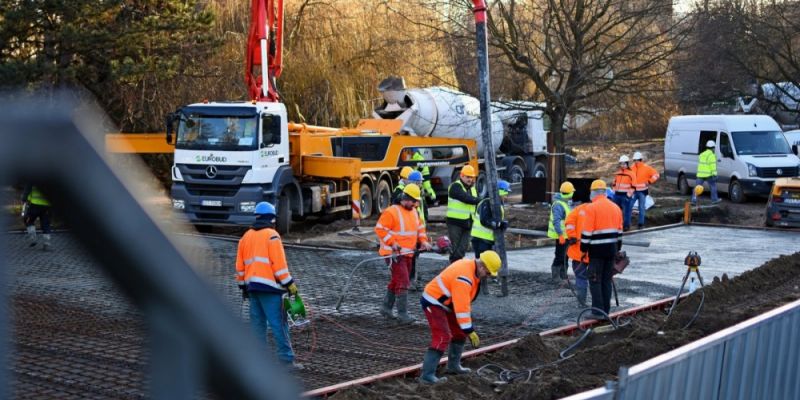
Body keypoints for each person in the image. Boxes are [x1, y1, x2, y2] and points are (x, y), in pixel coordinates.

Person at [235, 201, 303, 369]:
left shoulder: (246, 237)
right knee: (279, 324)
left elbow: (240, 267)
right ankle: (286, 361)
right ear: (272, 218)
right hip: (270, 290)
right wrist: (290, 284)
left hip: (252, 289)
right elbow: (279, 266)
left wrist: (243, 287)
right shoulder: (272, 236)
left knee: (257, 326)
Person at [418, 250, 502, 384]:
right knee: (442, 336)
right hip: (433, 301)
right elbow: (461, 307)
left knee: (459, 332)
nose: (487, 276)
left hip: (447, 303)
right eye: (487, 273)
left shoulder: (472, 270)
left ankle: (453, 366)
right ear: (482, 266)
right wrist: (470, 330)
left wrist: (465, 329)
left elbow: (463, 304)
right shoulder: (465, 277)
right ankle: (426, 376)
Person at [375, 184, 432, 323]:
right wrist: (392, 243)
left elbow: (420, 229)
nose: (415, 204)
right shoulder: (391, 212)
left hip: (408, 254)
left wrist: (423, 241)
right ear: (405, 198)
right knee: (404, 281)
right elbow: (380, 229)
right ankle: (402, 314)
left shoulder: (414, 211)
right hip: (393, 254)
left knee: (397, 281)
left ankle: (386, 308)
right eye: (413, 201)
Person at [579, 180, 623, 316]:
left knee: (594, 280)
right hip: (611, 251)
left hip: (596, 253)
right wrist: (616, 249)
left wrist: (583, 250)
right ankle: (606, 311)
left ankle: (597, 312)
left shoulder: (591, 208)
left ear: (593, 193)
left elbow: (586, 233)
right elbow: (620, 233)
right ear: (604, 192)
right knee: (606, 281)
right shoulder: (615, 207)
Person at [446, 165, 481, 262]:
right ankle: (454, 266)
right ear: (461, 176)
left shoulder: (473, 189)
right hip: (455, 223)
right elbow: (465, 198)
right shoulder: (455, 186)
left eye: (471, 177)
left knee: (463, 247)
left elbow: (475, 203)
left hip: (468, 222)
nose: (470, 179)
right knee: (455, 247)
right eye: (468, 177)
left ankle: (456, 265)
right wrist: (479, 200)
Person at [470, 180, 510, 259]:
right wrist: (499, 224)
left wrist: (501, 223)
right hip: (481, 239)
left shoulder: (496, 203)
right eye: (506, 193)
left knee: (486, 265)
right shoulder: (487, 202)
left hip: (486, 239)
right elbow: (484, 220)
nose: (506, 196)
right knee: (483, 265)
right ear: (500, 191)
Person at [565, 200, 591, 307]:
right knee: (598, 278)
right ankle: (600, 305)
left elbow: (569, 223)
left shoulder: (579, 209)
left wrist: (572, 236)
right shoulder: (607, 209)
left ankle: (581, 302)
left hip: (579, 251)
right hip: (598, 252)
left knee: (580, 276)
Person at [547, 181, 574, 282]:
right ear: (570, 193)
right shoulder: (559, 204)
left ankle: (563, 275)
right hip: (561, 236)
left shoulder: (564, 203)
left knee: (565, 256)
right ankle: (556, 277)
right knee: (560, 256)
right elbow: (556, 221)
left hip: (566, 236)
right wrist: (560, 235)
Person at [631, 151, 660, 229]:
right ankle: (628, 224)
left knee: (641, 208)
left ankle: (641, 224)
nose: (635, 162)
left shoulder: (646, 168)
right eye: (634, 160)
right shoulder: (631, 168)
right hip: (633, 191)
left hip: (642, 192)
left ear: (640, 160)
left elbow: (656, 175)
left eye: (636, 160)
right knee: (629, 207)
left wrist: (650, 181)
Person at [21, 185, 53, 251]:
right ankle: (47, 243)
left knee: (28, 220)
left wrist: (24, 199)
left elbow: (28, 188)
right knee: (46, 224)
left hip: (34, 205)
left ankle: (33, 238)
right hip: (47, 206)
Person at [612, 155, 635, 231]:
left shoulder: (631, 174)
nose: (622, 165)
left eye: (624, 164)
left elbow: (633, 186)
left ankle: (626, 226)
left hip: (625, 196)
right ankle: (616, 225)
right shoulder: (618, 173)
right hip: (617, 195)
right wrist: (614, 192)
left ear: (627, 164)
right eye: (621, 164)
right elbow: (614, 183)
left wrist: (628, 196)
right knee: (616, 212)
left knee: (627, 212)